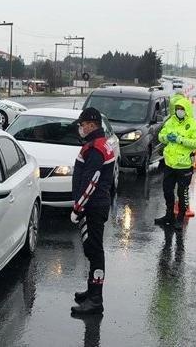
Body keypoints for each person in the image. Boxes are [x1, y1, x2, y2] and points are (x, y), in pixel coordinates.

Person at [70, 107, 115, 315]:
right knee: (91, 249)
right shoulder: (96, 144)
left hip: (93, 206)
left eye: (82, 125)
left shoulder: (96, 148)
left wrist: (78, 208)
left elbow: (91, 181)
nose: (80, 128)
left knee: (95, 251)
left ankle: (96, 299)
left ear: (91, 125)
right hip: (95, 204)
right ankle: (92, 289)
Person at [154, 94, 196, 230]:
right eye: (177, 108)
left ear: (186, 109)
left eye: (181, 108)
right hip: (170, 164)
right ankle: (169, 215)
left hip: (184, 166)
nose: (179, 111)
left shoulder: (194, 125)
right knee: (167, 190)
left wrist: (180, 139)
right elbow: (161, 136)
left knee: (182, 193)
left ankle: (180, 218)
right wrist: (166, 138)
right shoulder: (171, 121)